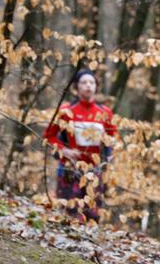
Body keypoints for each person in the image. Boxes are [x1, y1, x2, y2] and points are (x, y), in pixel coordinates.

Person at [43, 70, 116, 222]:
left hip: (95, 171)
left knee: (93, 216)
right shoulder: (66, 111)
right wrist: (65, 150)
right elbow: (48, 137)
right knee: (69, 214)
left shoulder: (105, 113)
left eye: (92, 82)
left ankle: (90, 245)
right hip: (69, 169)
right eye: (84, 82)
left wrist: (109, 156)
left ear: (96, 86)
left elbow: (112, 138)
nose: (88, 86)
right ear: (76, 87)